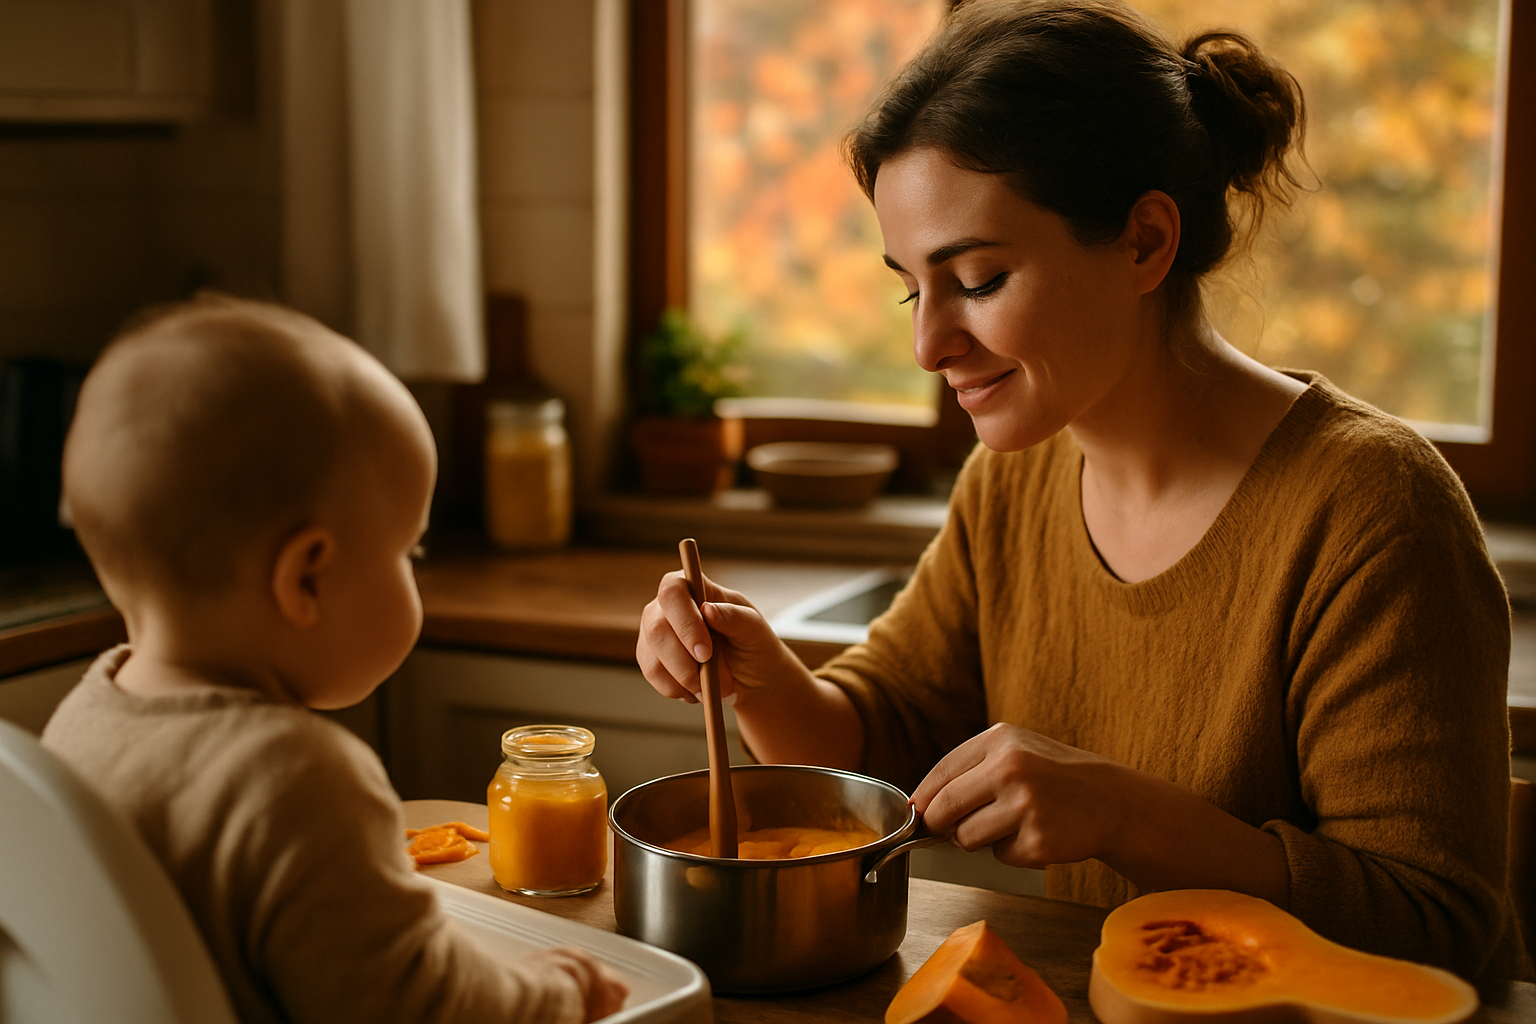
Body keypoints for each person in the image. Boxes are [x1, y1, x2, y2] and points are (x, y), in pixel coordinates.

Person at [637, 0, 1528, 981]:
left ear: (1145, 241)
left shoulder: (1372, 508)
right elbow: (883, 739)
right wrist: (762, 674)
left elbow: (1435, 928)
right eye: (910, 288)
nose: (928, 344)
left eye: (975, 277)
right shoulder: (1014, 477)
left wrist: (1121, 811)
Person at [43, 295, 629, 1023]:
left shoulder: (77, 721)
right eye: (407, 550)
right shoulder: (300, 780)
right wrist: (558, 991)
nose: (416, 572)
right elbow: (423, 1010)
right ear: (306, 579)